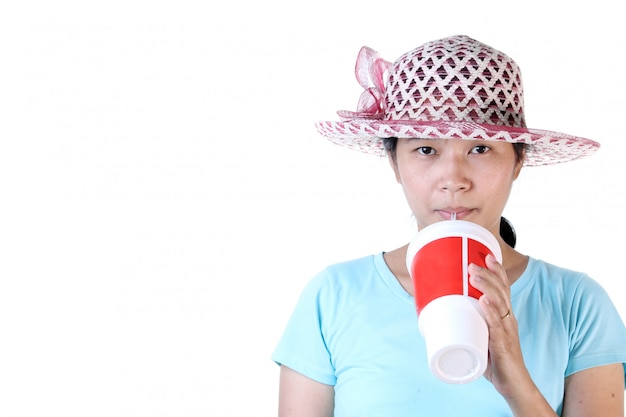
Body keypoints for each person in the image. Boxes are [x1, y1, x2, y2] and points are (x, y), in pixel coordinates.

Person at [272, 35, 626, 417]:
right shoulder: (333, 296)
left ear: (518, 162)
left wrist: (516, 383)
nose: (453, 179)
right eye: (426, 149)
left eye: (480, 148)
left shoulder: (577, 303)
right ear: (395, 164)